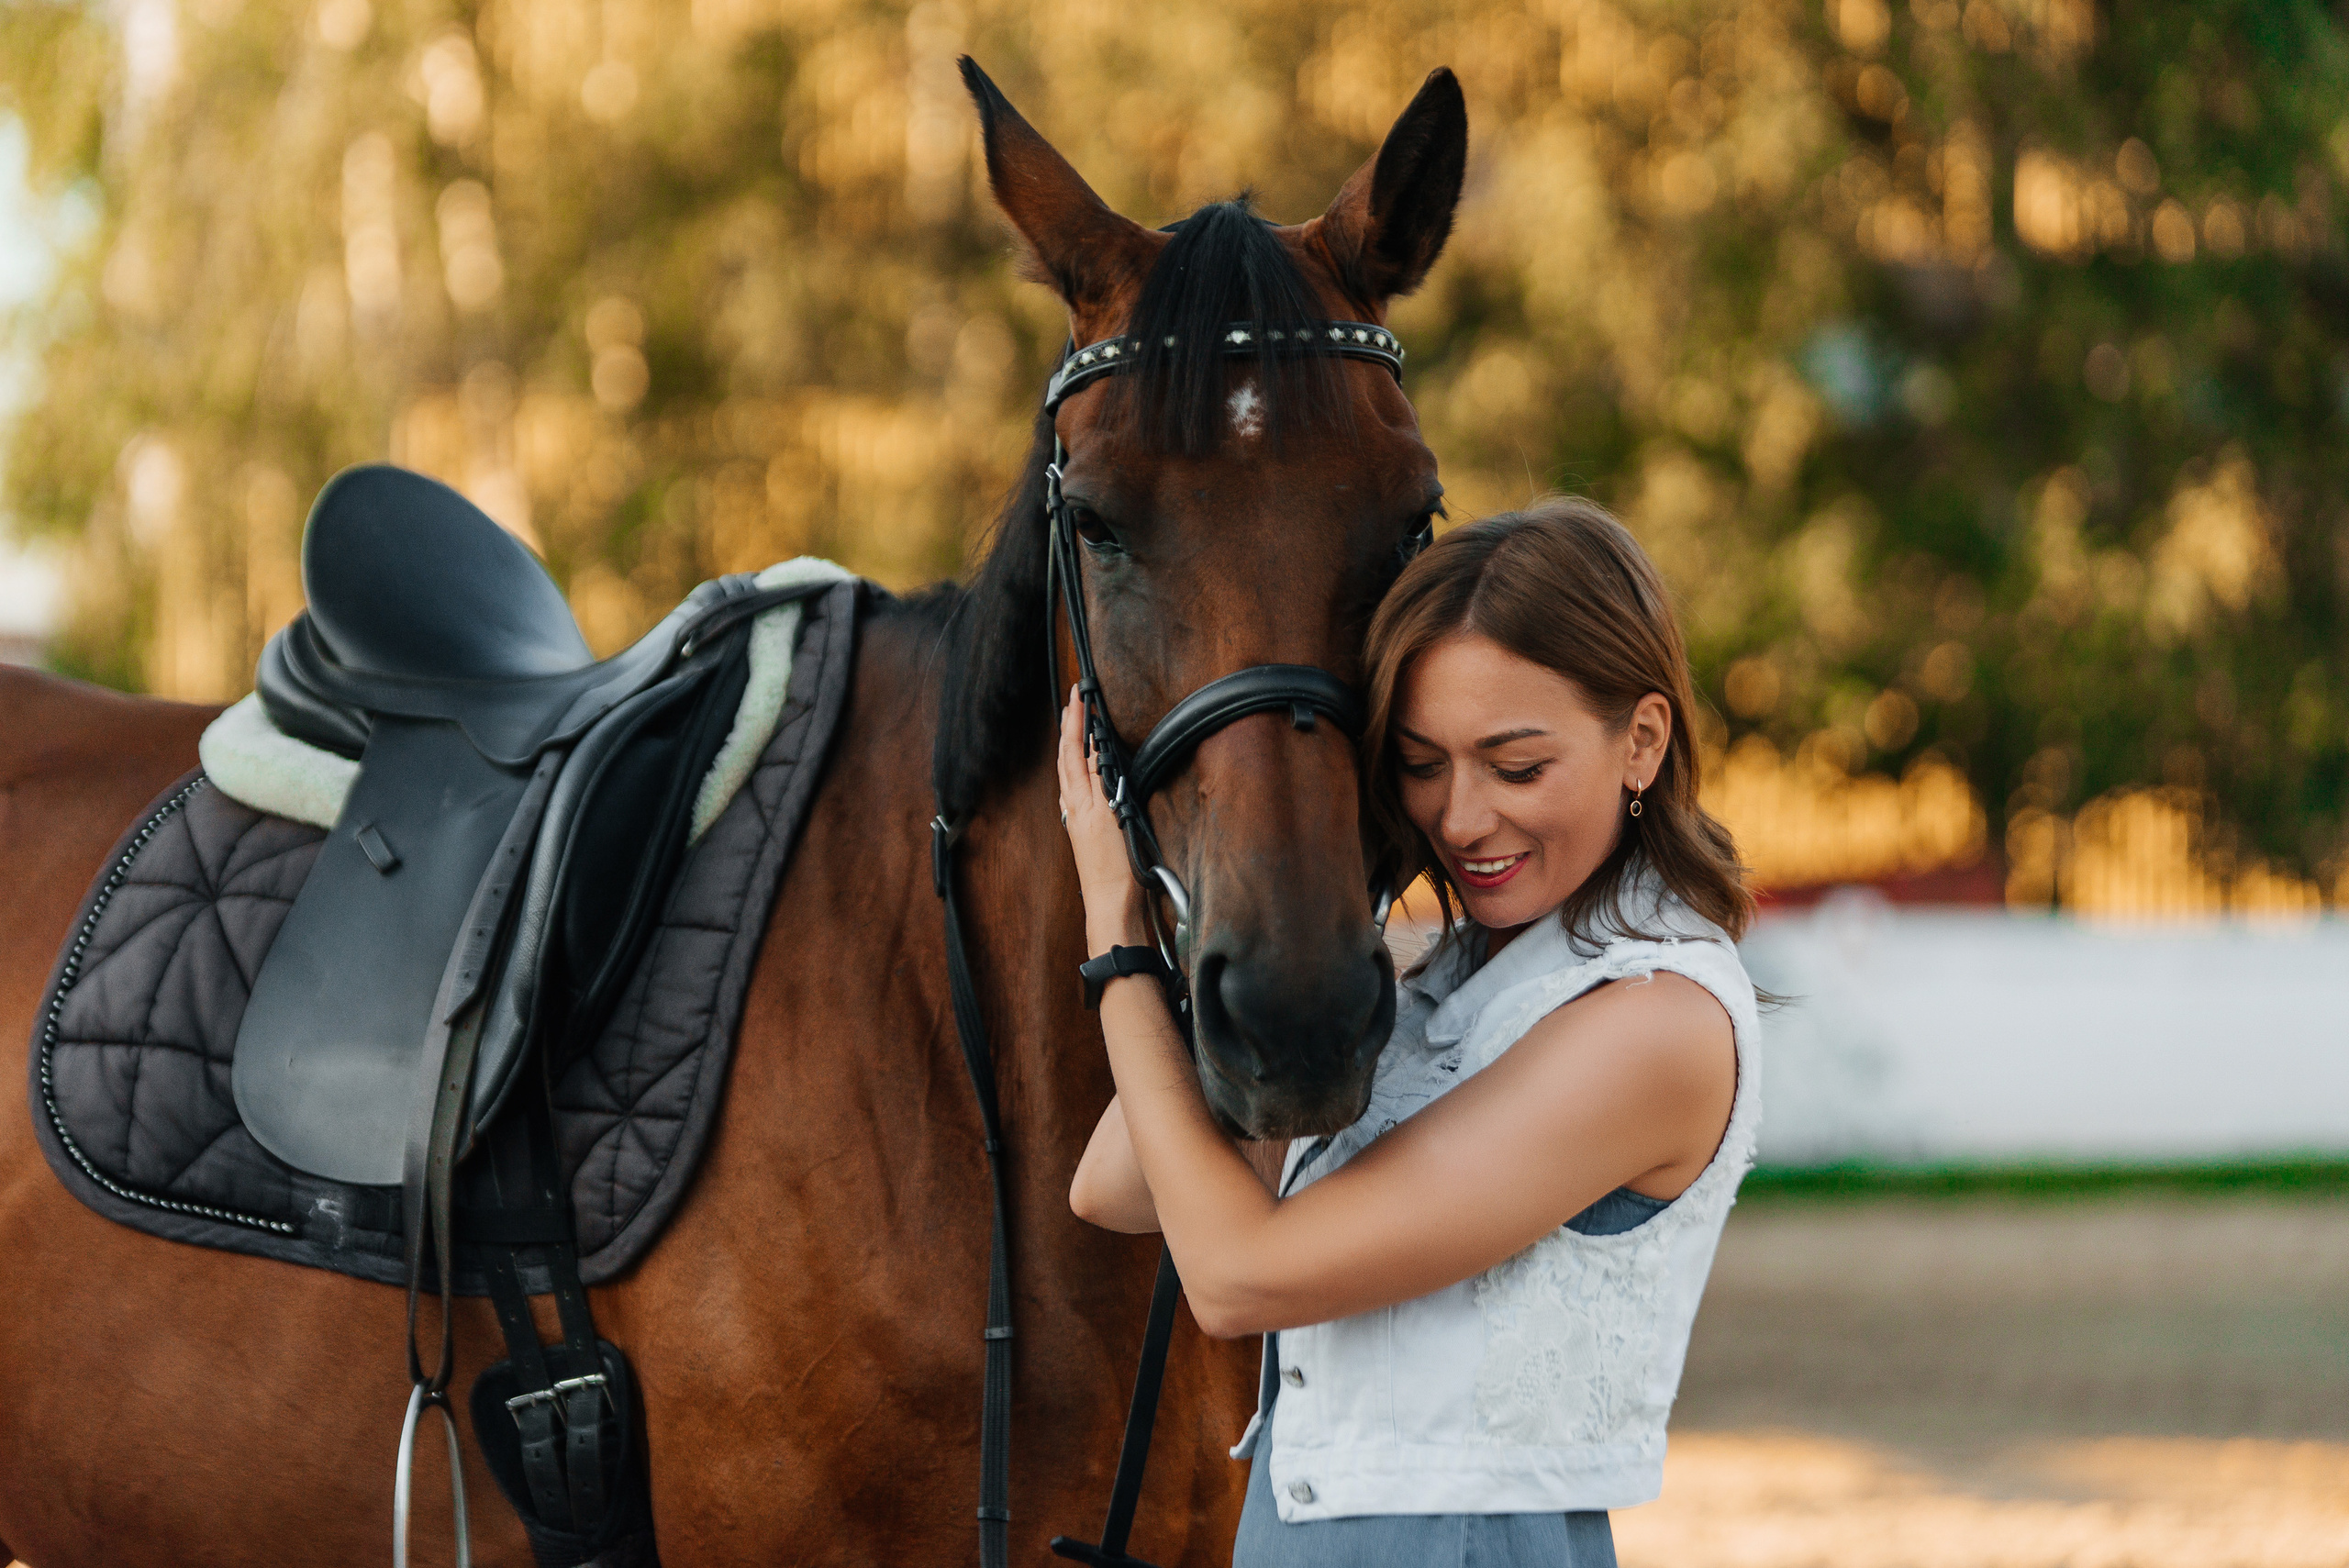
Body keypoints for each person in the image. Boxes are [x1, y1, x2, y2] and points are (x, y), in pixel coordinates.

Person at [1055, 496, 1763, 1568]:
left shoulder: (1657, 1020)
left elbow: (1236, 1274)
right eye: (1421, 763)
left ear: (1642, 740)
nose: (1461, 817)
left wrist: (1115, 938)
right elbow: (1116, 1182)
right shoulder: (1434, 971)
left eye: (1515, 766)